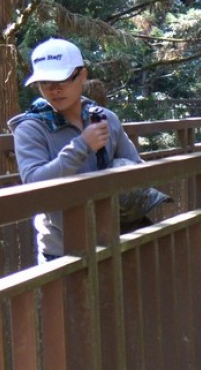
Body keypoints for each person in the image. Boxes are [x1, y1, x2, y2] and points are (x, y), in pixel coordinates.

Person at [10, 37, 156, 260]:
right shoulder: (30, 129)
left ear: (83, 76)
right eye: (45, 83)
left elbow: (136, 169)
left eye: (62, 80)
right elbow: (34, 184)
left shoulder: (105, 118)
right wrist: (81, 146)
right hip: (61, 249)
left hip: (116, 240)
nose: (54, 90)